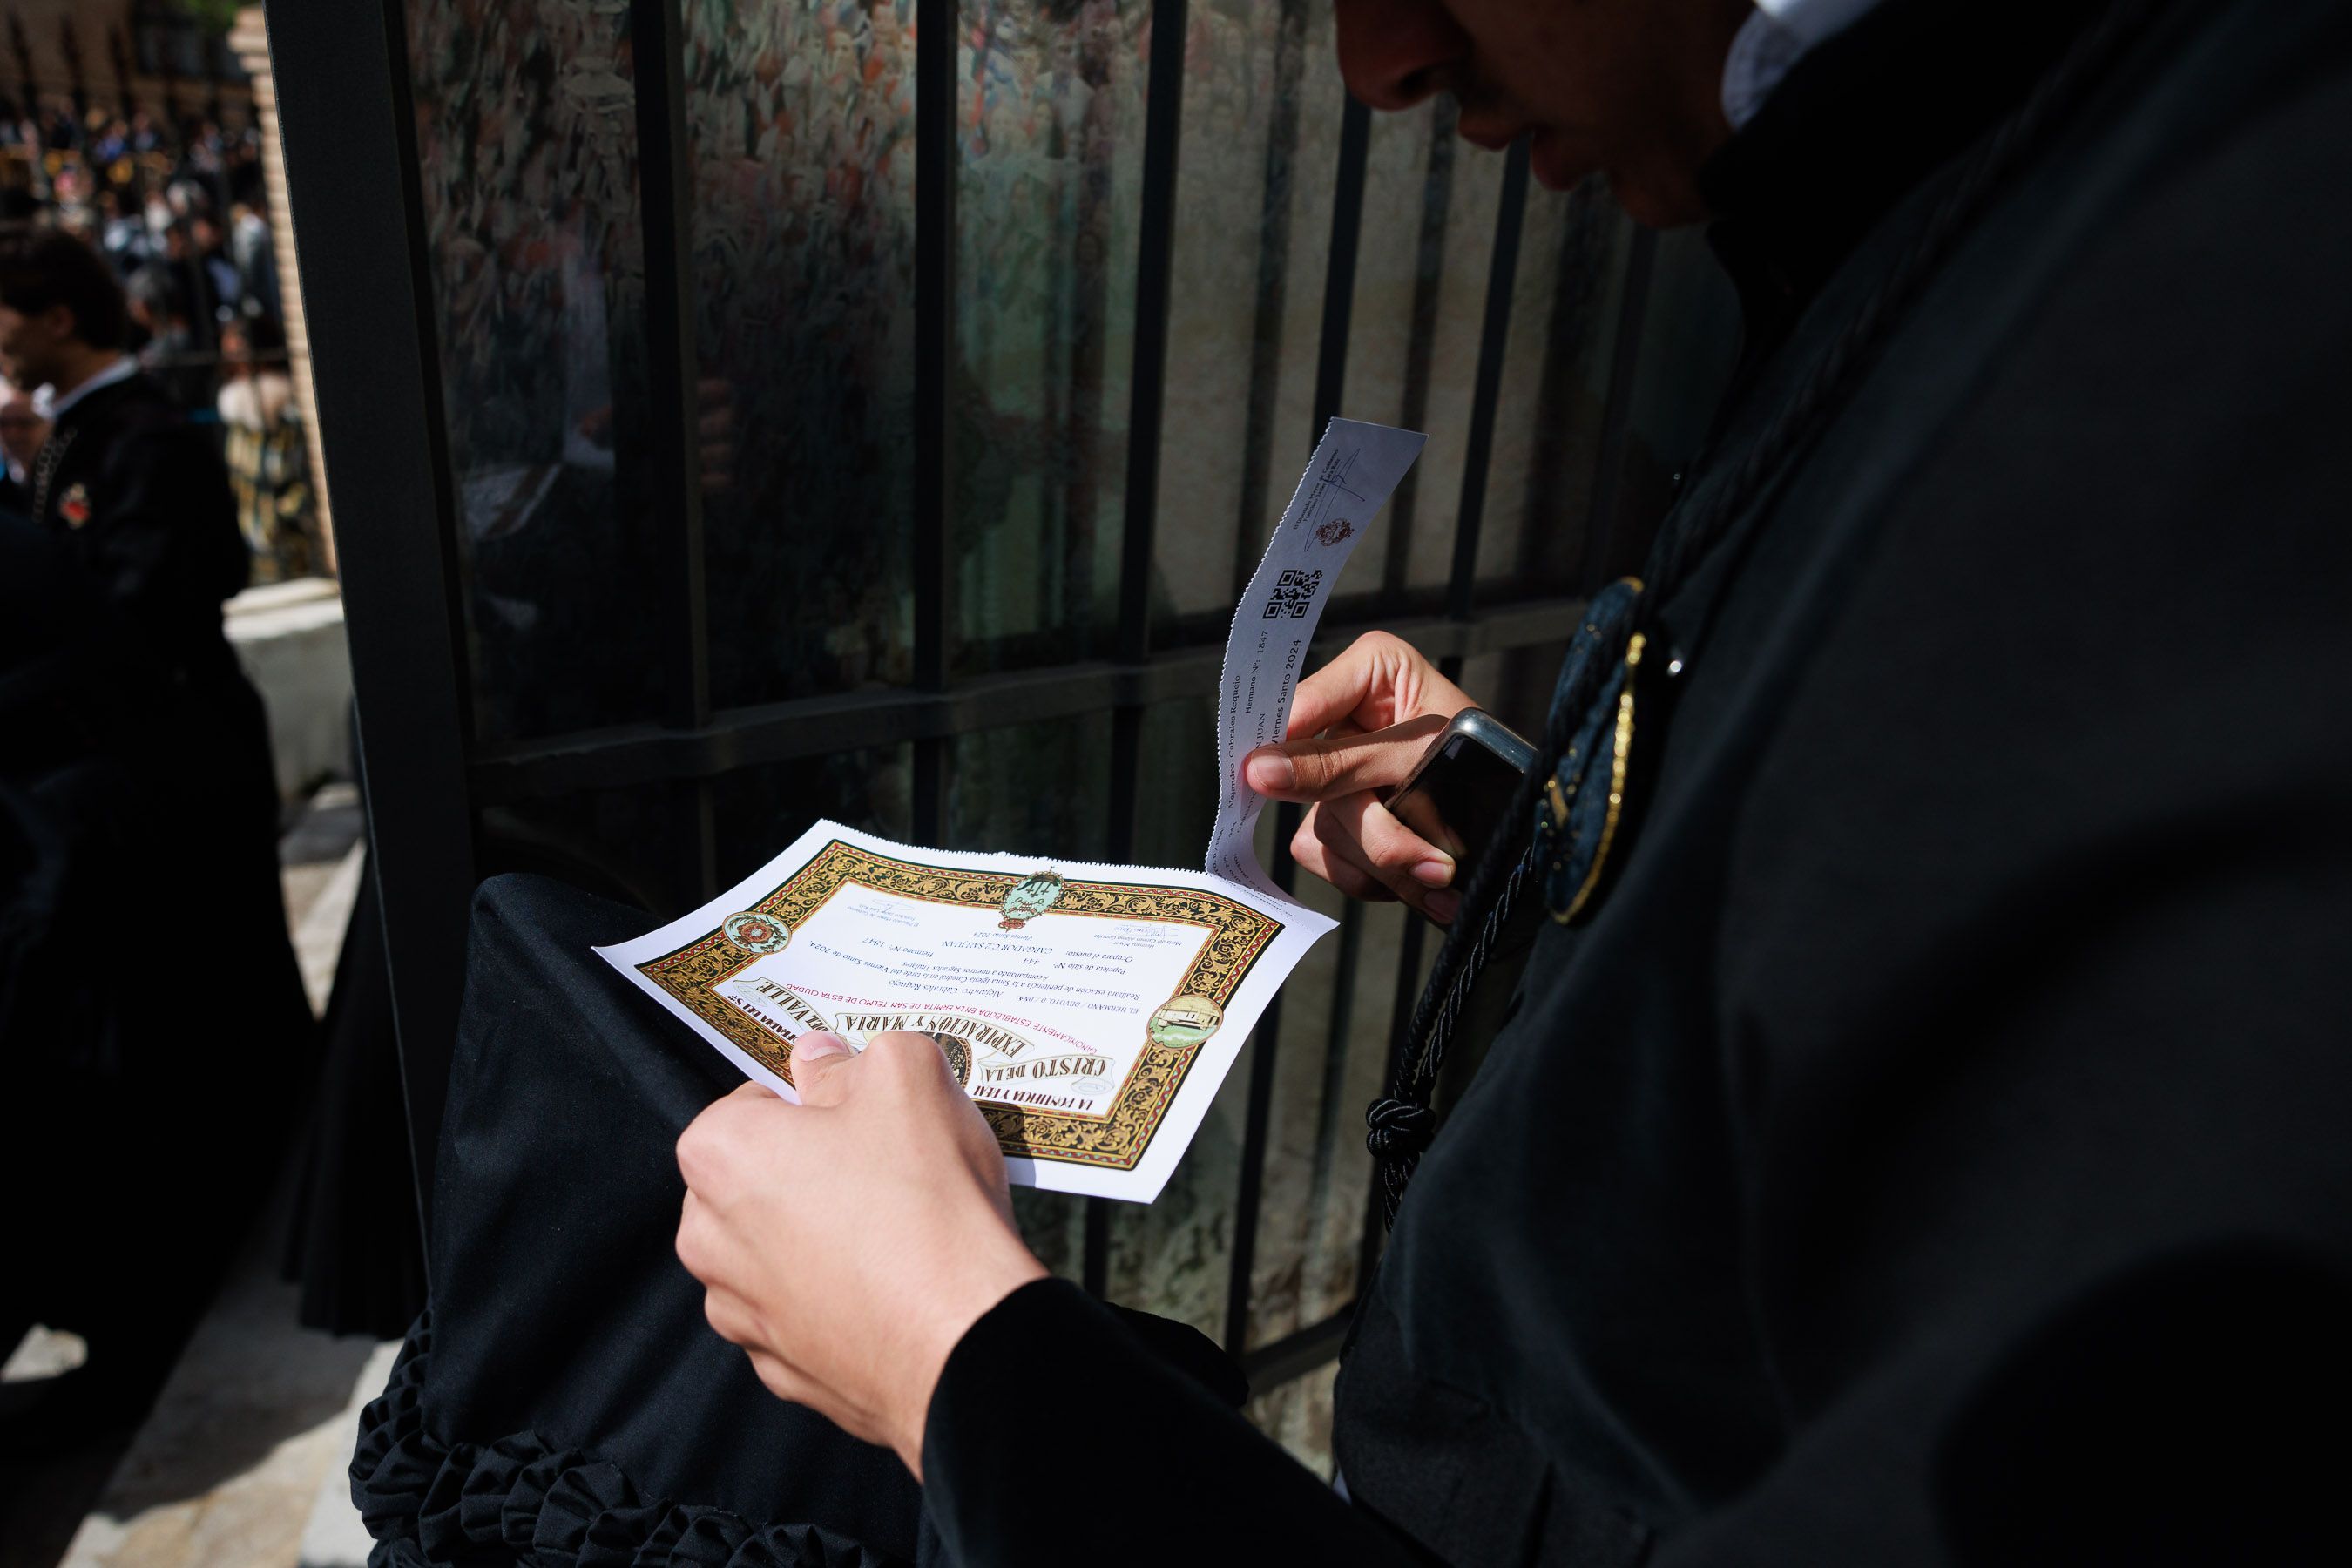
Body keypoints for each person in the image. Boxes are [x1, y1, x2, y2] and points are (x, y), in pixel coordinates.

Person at [351, 0, 2352, 1563]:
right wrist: (1537, 819)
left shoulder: (2233, 309)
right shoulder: (2009, 181)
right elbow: (1872, 931)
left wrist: (966, 1363)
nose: (1385, 59)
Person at [0, 225, 313, 1428]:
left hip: (179, 761)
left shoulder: (142, 438)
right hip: (131, 768)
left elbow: (148, 601)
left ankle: (259, 1146)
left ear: (60, 317)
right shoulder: (76, 431)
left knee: (225, 957)